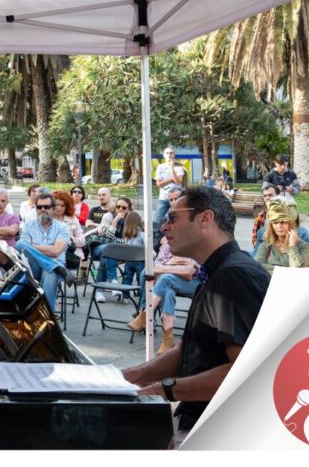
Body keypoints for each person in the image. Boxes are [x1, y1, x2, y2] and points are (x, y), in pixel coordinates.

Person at [121, 187, 270, 446]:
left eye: (173, 218)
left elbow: (248, 372)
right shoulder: (217, 272)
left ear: (205, 219)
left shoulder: (234, 275)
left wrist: (163, 389)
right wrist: (126, 378)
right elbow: (190, 350)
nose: (164, 227)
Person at [126, 233, 201, 354]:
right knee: (168, 291)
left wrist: (167, 267)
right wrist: (175, 266)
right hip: (173, 280)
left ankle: (145, 315)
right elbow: (156, 266)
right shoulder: (168, 241)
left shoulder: (196, 240)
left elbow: (190, 271)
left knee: (165, 279)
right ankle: (168, 339)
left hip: (196, 282)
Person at [14, 192, 70, 310]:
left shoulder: (63, 227)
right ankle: (55, 267)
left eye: (47, 207)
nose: (43, 210)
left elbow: (56, 251)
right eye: (39, 207)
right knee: (19, 243)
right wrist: (46, 248)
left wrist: (31, 246)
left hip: (54, 264)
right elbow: (22, 248)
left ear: (54, 209)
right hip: (33, 267)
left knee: (50, 274)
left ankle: (47, 315)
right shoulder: (28, 225)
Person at [95, 210, 146, 303]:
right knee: (140, 279)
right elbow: (146, 246)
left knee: (127, 278)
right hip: (140, 260)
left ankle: (125, 296)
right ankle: (140, 296)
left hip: (129, 260)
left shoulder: (126, 235)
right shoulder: (142, 235)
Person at [254, 199, 309, 273]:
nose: (279, 226)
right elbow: (258, 266)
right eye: (275, 222)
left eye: (283, 222)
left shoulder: (304, 247)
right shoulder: (266, 246)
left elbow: (297, 270)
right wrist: (287, 270)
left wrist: (292, 246)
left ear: (292, 225)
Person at [154, 147, 186, 245]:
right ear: (164, 155)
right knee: (157, 221)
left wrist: (172, 168)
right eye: (167, 153)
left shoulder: (179, 167)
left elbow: (178, 181)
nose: (169, 155)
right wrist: (171, 180)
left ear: (174, 155)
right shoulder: (160, 167)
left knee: (178, 220)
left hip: (176, 198)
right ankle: (157, 244)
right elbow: (159, 184)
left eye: (171, 153)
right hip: (163, 197)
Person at [250, 184, 280, 248]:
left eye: (270, 195)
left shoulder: (288, 215)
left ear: (278, 196)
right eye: (265, 196)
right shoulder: (260, 217)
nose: (267, 198)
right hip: (265, 250)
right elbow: (254, 241)